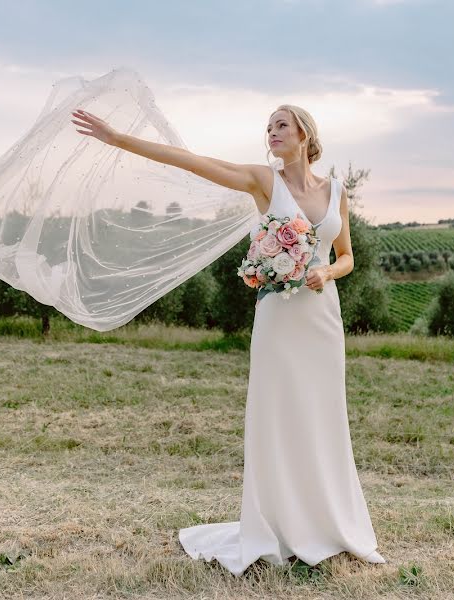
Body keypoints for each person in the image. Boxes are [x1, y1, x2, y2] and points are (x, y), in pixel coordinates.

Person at [71, 104, 386, 576]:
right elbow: (194, 161)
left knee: (322, 416)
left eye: (281, 125)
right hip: (279, 319)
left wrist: (326, 270)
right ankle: (278, 526)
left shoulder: (336, 190)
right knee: (278, 416)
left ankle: (326, 523)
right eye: (268, 128)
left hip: (322, 319)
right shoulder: (265, 181)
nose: (272, 133)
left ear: (304, 133)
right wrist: (118, 139)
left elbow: (347, 257)